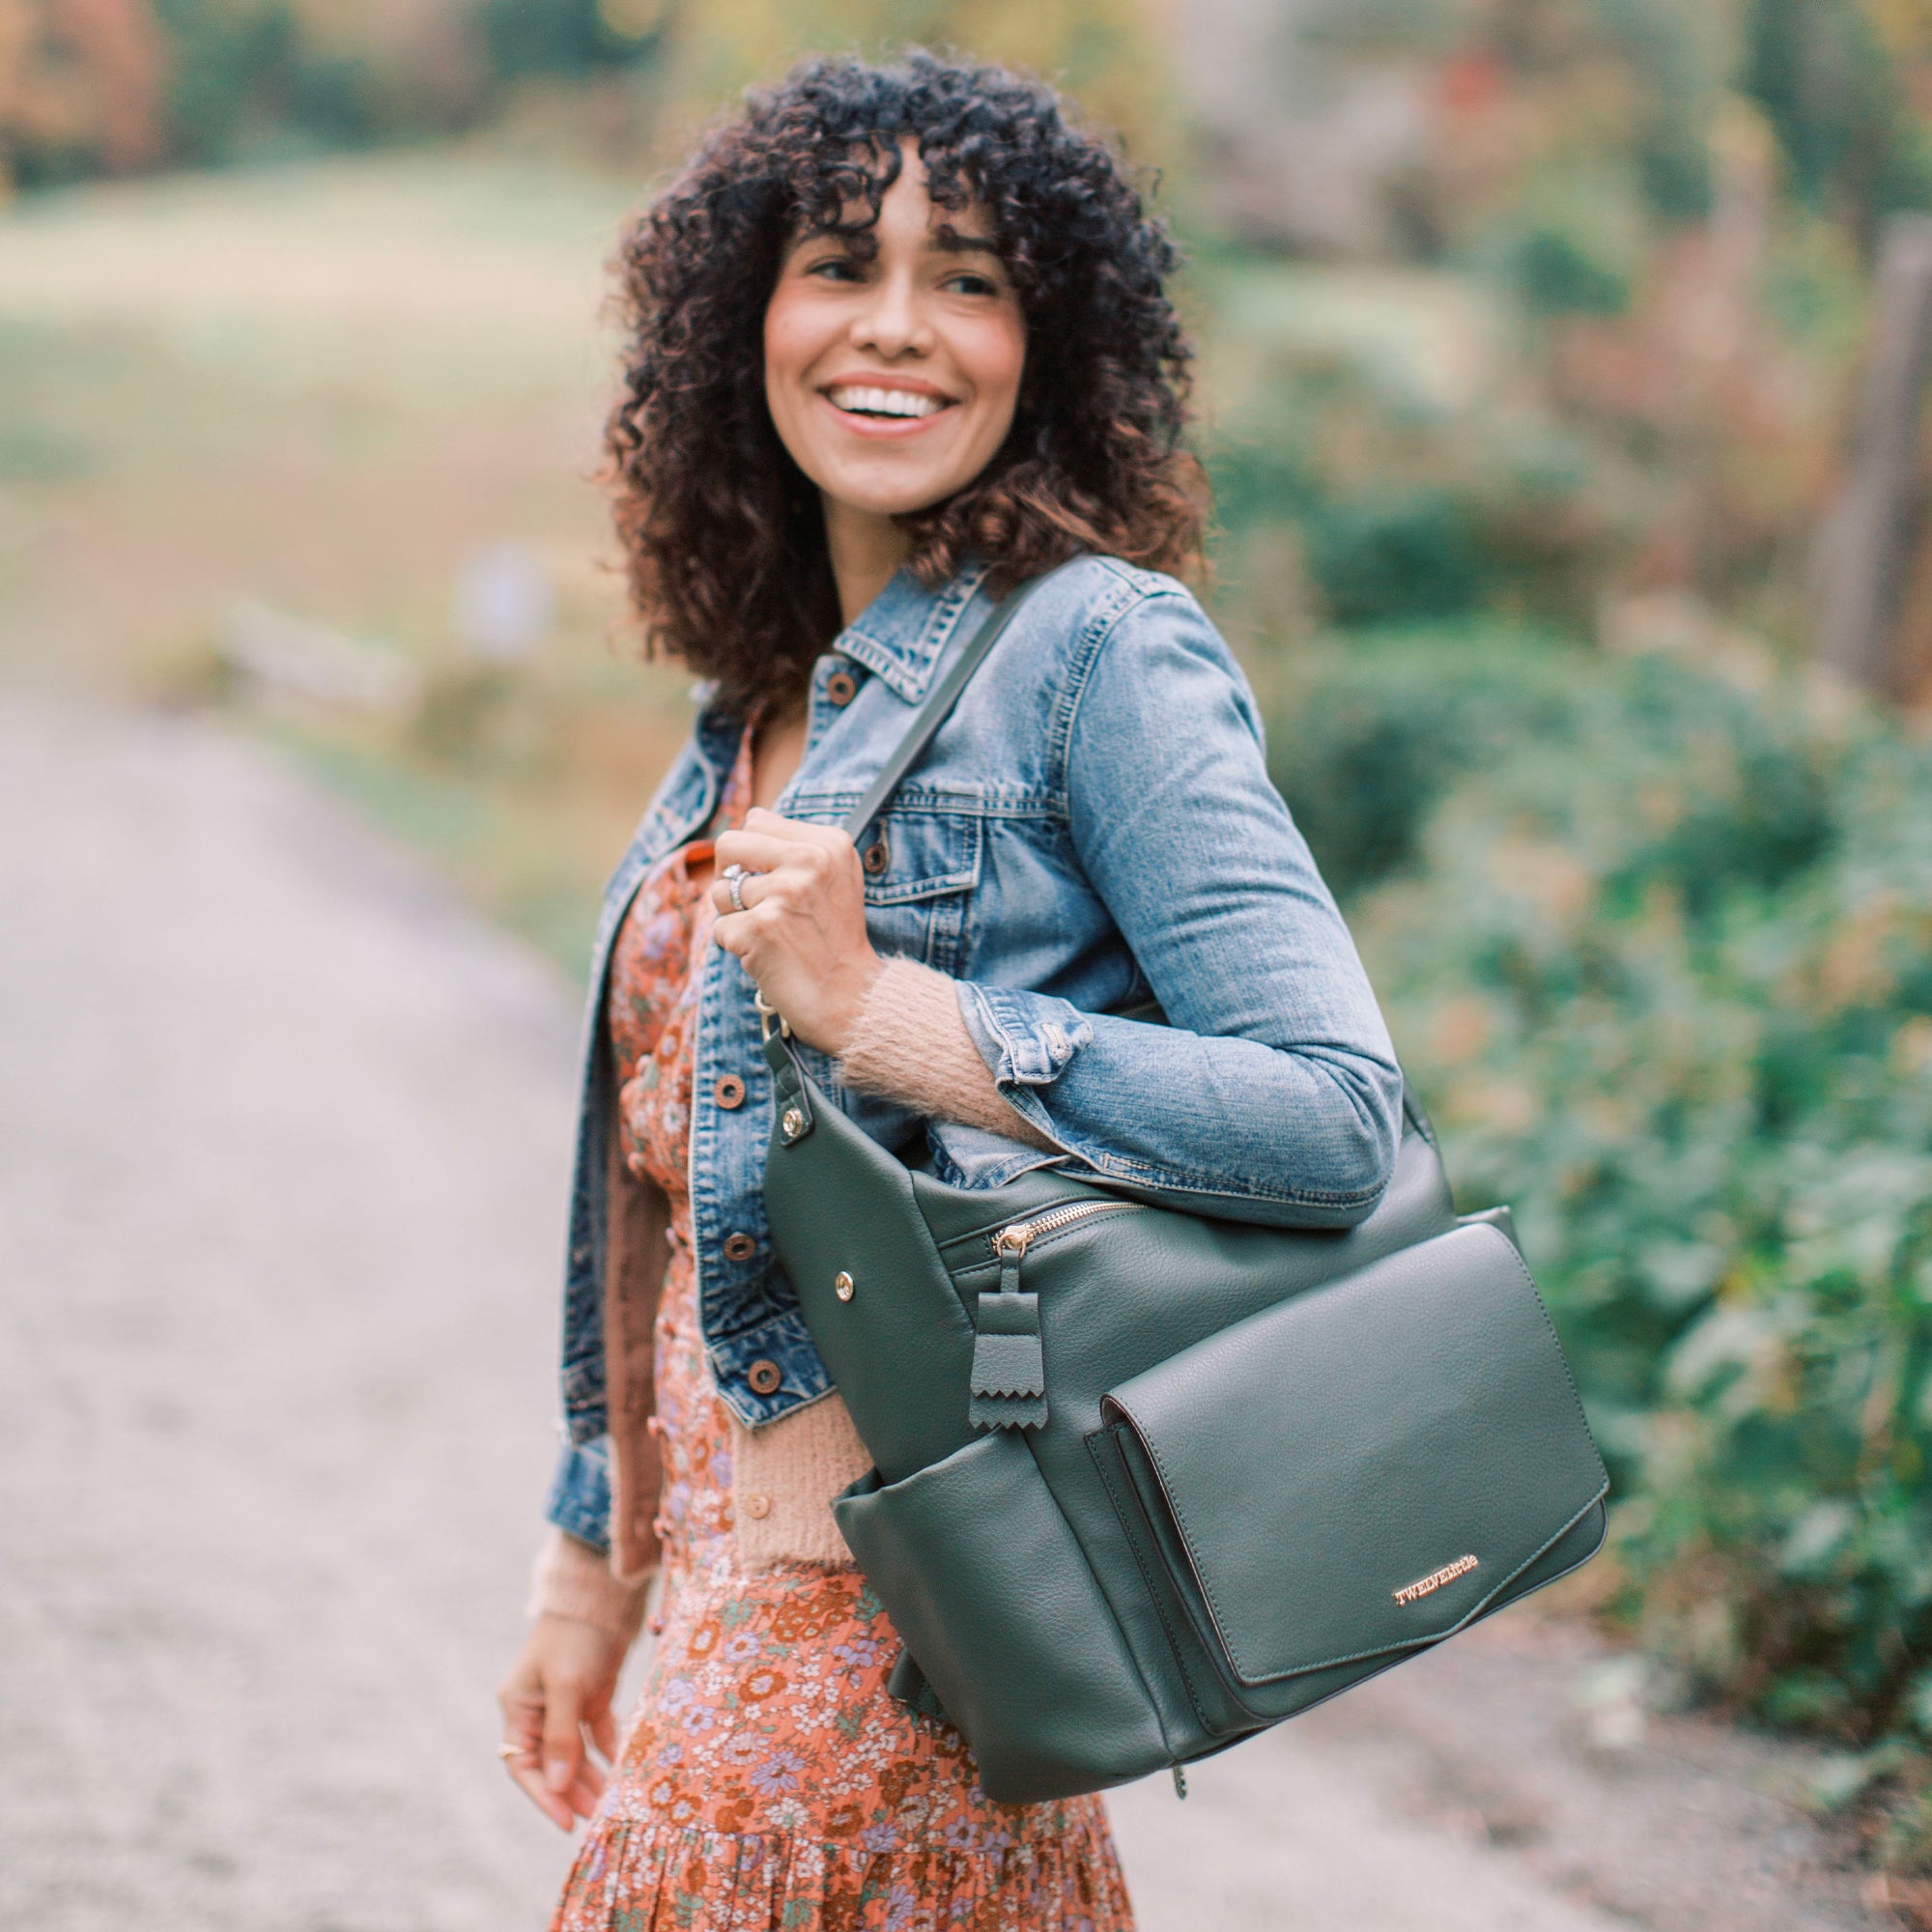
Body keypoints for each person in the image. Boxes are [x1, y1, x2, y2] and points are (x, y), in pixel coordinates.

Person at [496, 49, 1404, 1931]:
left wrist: (882, 1009)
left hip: (901, 1616)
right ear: (745, 312)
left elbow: (1331, 1117)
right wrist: (593, 1561)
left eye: (969, 277)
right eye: (840, 263)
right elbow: (667, 1187)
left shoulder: (1101, 652)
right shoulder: (756, 699)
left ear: (1048, 340)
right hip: (740, 1606)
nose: (894, 325)